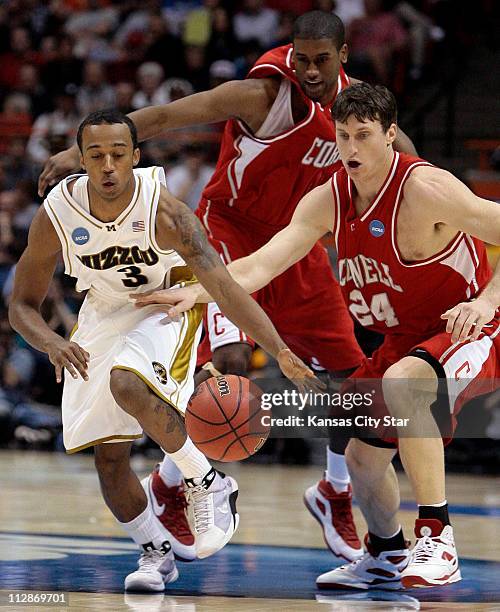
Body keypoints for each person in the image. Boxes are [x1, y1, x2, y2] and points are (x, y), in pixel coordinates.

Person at [38, 10, 417, 563]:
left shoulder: (359, 112)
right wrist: (83, 152)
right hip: (228, 231)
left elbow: (409, 161)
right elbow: (170, 114)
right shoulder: (264, 95)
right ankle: (177, 482)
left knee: (344, 372)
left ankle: (334, 489)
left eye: (321, 61)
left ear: (344, 58)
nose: (309, 71)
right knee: (230, 361)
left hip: (298, 244)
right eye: (301, 58)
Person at [134, 83, 500, 590]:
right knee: (360, 456)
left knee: (403, 382)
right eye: (344, 136)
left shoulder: (426, 189)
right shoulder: (327, 201)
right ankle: (387, 553)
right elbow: (263, 263)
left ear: (391, 135)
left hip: (467, 328)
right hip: (402, 341)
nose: (351, 148)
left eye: (364, 136)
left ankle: (437, 538)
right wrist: (197, 293)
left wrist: (484, 303)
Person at [9, 109, 317, 591]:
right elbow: (22, 305)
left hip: (171, 300)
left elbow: (226, 286)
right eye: (96, 156)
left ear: (135, 156)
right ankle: (155, 551)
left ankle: (207, 480)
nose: (108, 166)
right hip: (104, 308)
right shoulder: (57, 216)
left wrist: (277, 348)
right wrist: (51, 342)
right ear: (82, 161)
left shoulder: (167, 212)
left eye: (117, 154)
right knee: (108, 458)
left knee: (126, 383)